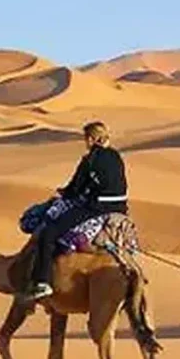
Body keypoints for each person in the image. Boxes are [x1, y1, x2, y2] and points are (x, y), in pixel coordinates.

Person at [24, 121, 128, 300]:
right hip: (120, 207)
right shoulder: (116, 156)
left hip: (97, 207)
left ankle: (42, 282)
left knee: (49, 233)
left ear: (91, 139)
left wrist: (65, 192)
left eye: (85, 139)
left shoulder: (90, 159)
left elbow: (75, 189)